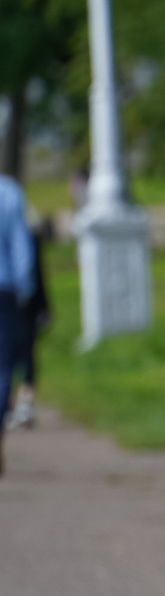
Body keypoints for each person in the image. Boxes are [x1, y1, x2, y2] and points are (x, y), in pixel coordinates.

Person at [0, 169, 36, 475]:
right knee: (2, 369)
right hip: (4, 290)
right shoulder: (9, 193)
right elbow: (21, 247)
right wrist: (25, 289)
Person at [7, 217, 50, 429]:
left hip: (22, 298)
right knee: (23, 353)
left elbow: (36, 269)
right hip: (22, 297)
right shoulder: (16, 206)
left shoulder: (27, 228)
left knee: (23, 353)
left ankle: (23, 403)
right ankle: (17, 403)